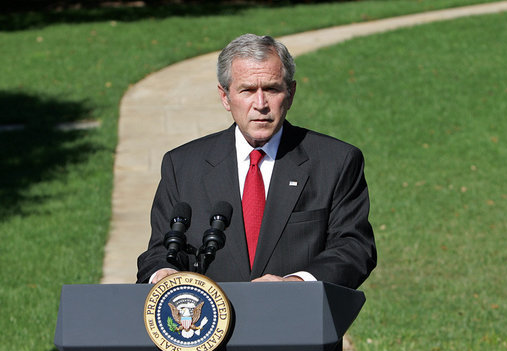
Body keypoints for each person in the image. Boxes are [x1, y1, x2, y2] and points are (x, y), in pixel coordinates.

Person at [137, 34, 376, 288]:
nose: (260, 104)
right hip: (206, 322)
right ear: (225, 96)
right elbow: (161, 251)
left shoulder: (335, 162)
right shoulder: (182, 166)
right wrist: (162, 272)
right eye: (247, 90)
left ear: (291, 93)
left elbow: (354, 247)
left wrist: (297, 283)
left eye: (271, 89)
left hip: (294, 318)